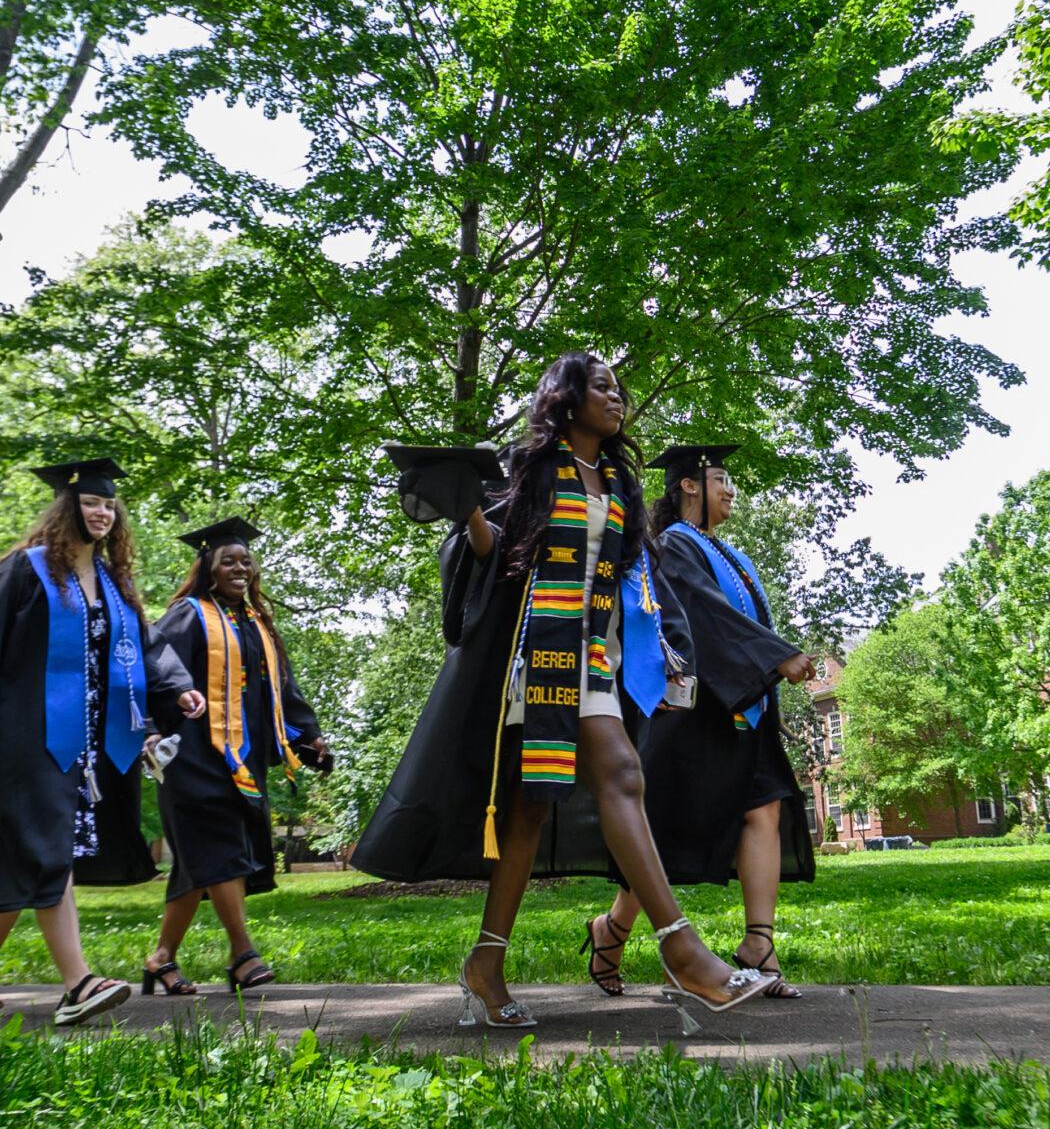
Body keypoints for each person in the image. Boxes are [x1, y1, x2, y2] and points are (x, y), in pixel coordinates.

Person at [353, 352, 772, 1028]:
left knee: (528, 812)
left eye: (619, 388)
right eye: (602, 386)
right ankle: (682, 949)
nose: (617, 397)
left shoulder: (617, 481)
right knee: (620, 772)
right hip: (540, 656)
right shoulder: (535, 473)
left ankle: (486, 961)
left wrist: (667, 658)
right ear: (567, 398)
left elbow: (642, 582)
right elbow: (496, 552)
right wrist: (466, 510)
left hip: (595, 656)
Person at [0, 460, 205, 1028]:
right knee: (50, 852)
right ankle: (77, 983)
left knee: (31, 857)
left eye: (109, 506)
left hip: (85, 741)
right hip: (24, 735)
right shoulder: (24, 571)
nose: (101, 513)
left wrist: (178, 686)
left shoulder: (111, 581)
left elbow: (140, 647)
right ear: (66, 509)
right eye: (91, 504)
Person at [586, 445, 817, 999]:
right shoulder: (672, 546)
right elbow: (706, 614)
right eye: (721, 479)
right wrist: (775, 655)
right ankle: (612, 930)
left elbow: (734, 612)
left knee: (763, 810)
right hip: (696, 712)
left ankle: (758, 946)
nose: (730, 490)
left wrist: (764, 666)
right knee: (665, 829)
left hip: (744, 706)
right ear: (690, 485)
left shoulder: (727, 552)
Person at [143, 517, 330, 996]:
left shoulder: (256, 624)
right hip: (190, 758)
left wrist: (308, 736)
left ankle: (160, 959)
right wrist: (150, 731)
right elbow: (152, 670)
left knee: (197, 865)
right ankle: (242, 954)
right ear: (209, 567)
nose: (240, 568)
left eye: (246, 561)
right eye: (229, 560)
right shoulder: (188, 615)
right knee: (220, 850)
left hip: (241, 759)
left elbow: (281, 688)